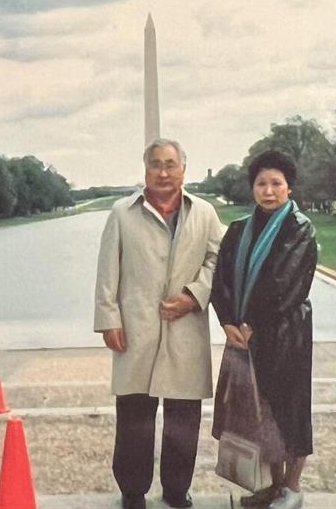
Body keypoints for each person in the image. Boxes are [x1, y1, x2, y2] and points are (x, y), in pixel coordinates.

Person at [94, 138, 224, 509]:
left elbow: (218, 260)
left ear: (185, 168)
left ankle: (177, 489)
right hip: (137, 327)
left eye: (171, 164)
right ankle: (132, 491)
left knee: (184, 418)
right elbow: (107, 271)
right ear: (145, 169)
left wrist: (193, 295)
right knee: (134, 416)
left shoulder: (204, 213)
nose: (163, 172)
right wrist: (108, 319)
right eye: (156, 164)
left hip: (186, 325)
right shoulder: (122, 213)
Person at [211, 150, 317, 509]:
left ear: (289, 188)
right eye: (261, 183)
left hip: (286, 334)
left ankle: (292, 486)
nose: (268, 190)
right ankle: (270, 486)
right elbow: (221, 280)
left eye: (276, 183)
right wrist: (227, 320)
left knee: (289, 410)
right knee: (261, 413)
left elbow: (285, 283)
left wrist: (252, 323)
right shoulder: (239, 229)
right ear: (252, 187)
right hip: (244, 336)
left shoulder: (300, 228)